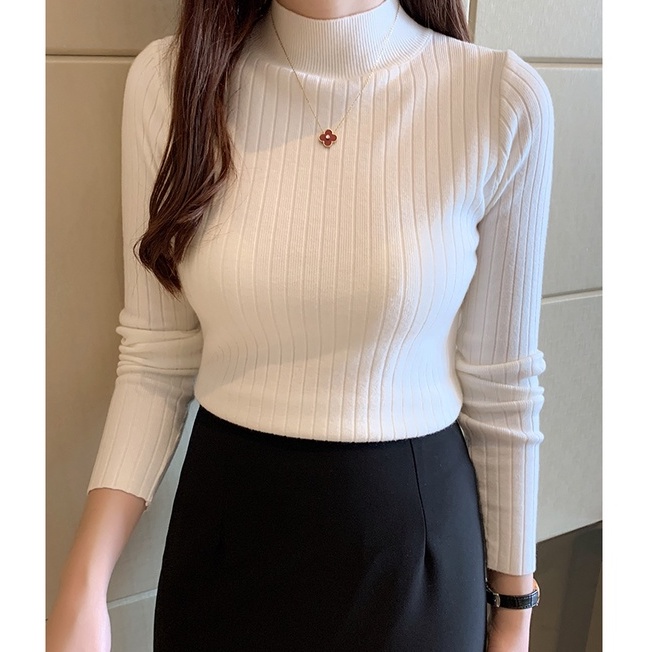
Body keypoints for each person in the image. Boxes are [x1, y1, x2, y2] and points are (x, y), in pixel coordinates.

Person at [46, 0, 554, 650]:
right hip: (224, 544)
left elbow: (503, 388)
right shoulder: (170, 84)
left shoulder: (499, 98)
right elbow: (156, 357)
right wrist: (84, 583)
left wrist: (512, 617)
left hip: (414, 557)